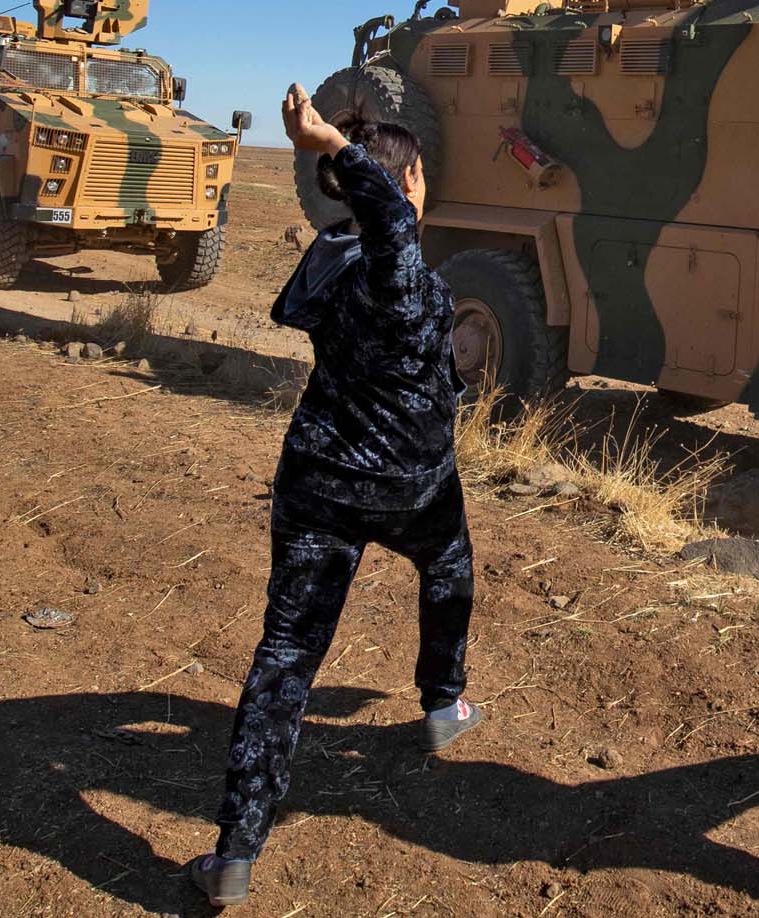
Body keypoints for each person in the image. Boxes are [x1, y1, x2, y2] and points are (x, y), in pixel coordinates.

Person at [190, 85, 479, 907]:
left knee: (286, 654)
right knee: (449, 570)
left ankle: (235, 852)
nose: (421, 186)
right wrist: (332, 145)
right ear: (404, 182)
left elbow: (373, 226)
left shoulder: (329, 254)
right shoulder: (389, 266)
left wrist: (339, 160)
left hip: (318, 480)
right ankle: (444, 704)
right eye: (415, 175)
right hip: (410, 486)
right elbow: (391, 225)